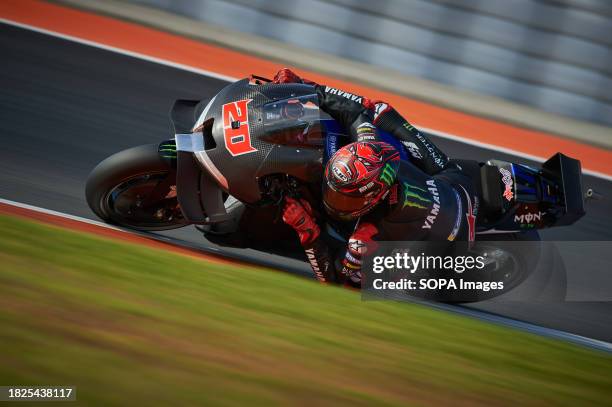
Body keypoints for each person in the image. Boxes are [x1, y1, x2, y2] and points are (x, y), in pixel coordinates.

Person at [273, 69, 479, 285]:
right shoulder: (368, 145)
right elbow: (355, 110)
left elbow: (334, 281)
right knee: (380, 110)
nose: (333, 199)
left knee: (370, 278)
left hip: (444, 237)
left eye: (345, 198)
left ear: (372, 199)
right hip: (450, 179)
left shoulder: (367, 233)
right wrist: (303, 87)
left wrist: (307, 230)